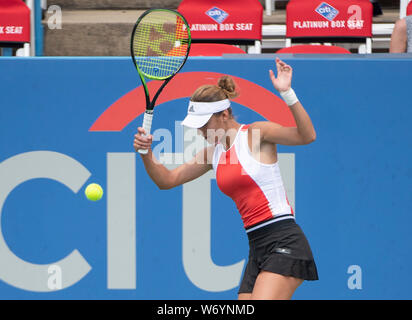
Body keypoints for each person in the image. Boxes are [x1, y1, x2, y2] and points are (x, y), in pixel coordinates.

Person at [133, 58, 319, 300]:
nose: (201, 132)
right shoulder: (213, 153)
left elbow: (307, 136)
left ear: (224, 113)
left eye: (204, 124)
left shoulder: (256, 134)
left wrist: (287, 93)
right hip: (257, 245)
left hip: (284, 239)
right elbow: (166, 180)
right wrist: (146, 153)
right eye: (197, 127)